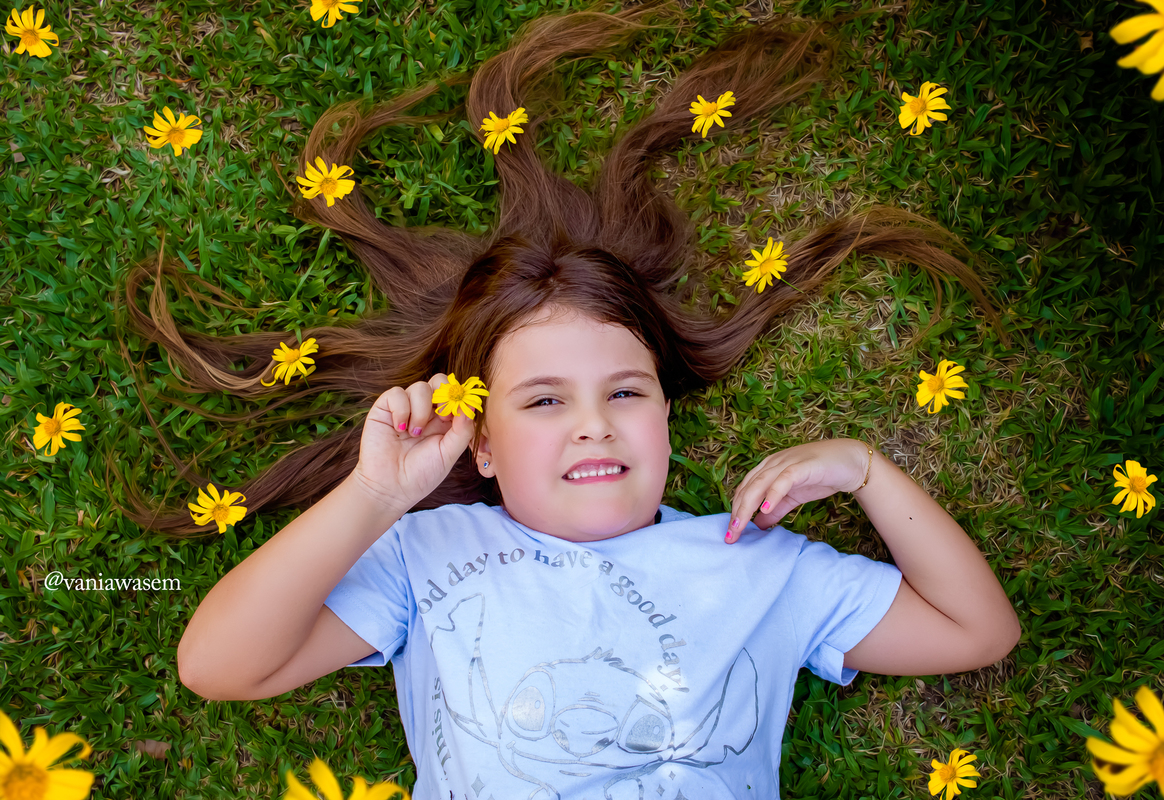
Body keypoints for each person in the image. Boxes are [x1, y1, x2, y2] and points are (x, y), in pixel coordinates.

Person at [137, 5, 1021, 799]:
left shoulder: (760, 568)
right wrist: (375, 498)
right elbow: (219, 667)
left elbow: (976, 631)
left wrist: (865, 471)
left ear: (666, 414)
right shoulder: (430, 554)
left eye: (626, 391)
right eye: (545, 401)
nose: (594, 421)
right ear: (479, 445)